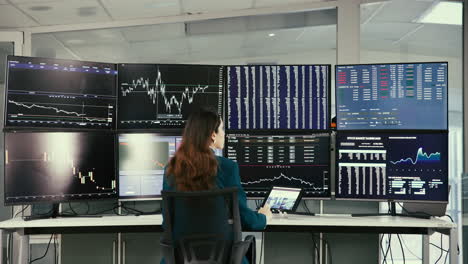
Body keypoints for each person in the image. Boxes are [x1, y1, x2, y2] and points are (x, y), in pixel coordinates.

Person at [161, 108, 272, 264]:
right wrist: (263, 217)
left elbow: (167, 222)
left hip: (181, 259)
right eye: (222, 129)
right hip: (225, 259)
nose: (224, 134)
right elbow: (244, 218)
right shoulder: (227, 168)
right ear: (213, 135)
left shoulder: (171, 169)